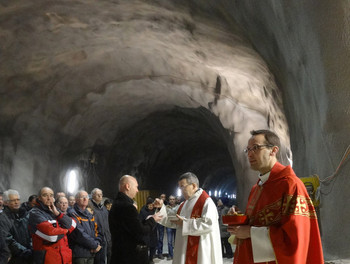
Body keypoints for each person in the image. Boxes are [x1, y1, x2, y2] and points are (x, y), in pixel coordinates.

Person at [229, 129, 324, 264]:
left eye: (256, 148)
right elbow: (257, 223)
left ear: (273, 151)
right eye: (248, 149)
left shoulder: (291, 185)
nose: (250, 154)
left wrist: (250, 232)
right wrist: (239, 221)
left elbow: (295, 238)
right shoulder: (257, 188)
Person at [157, 172, 223, 264]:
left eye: (183, 186)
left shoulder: (206, 202)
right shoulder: (184, 204)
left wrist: (185, 223)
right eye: (179, 187)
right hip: (184, 250)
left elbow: (209, 224)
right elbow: (174, 219)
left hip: (200, 250)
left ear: (193, 185)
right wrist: (161, 208)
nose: (181, 190)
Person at [109, 175, 162, 264]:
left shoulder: (118, 203)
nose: (137, 190)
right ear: (128, 186)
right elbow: (140, 231)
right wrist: (153, 220)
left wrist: (149, 219)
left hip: (121, 254)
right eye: (136, 187)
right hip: (130, 256)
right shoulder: (127, 206)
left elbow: (133, 225)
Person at [28, 187, 77, 264]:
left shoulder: (55, 210)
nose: (49, 198)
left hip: (64, 258)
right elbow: (52, 237)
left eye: (51, 195)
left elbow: (73, 224)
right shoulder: (35, 213)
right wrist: (67, 230)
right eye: (45, 195)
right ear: (39, 198)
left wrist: (57, 214)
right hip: (48, 259)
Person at [68, 190, 102, 264]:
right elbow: (79, 234)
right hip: (80, 254)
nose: (85, 199)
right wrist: (94, 245)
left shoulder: (89, 215)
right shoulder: (72, 213)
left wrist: (97, 243)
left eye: (86, 197)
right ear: (76, 200)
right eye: (82, 197)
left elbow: (97, 230)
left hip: (91, 253)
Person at [0, 189, 33, 264]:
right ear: (5, 203)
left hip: (28, 255)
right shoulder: (2, 218)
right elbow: (7, 239)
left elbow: (31, 233)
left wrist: (31, 247)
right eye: (12, 200)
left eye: (18, 199)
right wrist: (24, 251)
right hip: (14, 258)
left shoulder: (25, 215)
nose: (16, 202)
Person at [90, 188, 112, 264]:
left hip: (108, 239)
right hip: (99, 239)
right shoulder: (91, 208)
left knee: (109, 259)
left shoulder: (104, 209)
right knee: (100, 261)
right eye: (97, 194)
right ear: (92, 196)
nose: (100, 196)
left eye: (101, 194)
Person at [138, 198, 158, 264]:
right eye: (149, 205)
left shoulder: (155, 210)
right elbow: (140, 221)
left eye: (152, 205)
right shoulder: (143, 211)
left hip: (153, 231)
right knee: (146, 246)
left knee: (153, 245)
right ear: (147, 205)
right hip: (146, 231)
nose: (151, 206)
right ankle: (146, 259)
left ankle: (151, 258)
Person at [165, 195, 178, 261]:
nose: (172, 200)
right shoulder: (166, 207)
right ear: (169, 200)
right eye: (170, 199)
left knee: (176, 242)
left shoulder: (178, 207)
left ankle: (176, 255)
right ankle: (170, 255)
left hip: (176, 226)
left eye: (173, 199)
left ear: (175, 200)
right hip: (169, 226)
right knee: (169, 242)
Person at [155, 193, 167, 260]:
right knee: (155, 237)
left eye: (164, 197)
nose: (162, 198)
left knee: (160, 239)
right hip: (155, 222)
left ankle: (160, 253)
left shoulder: (166, 204)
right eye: (161, 197)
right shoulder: (156, 203)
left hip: (162, 224)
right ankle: (153, 252)